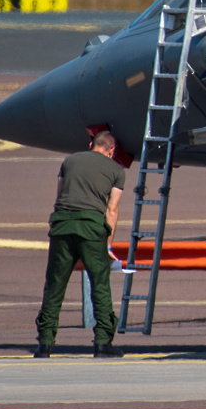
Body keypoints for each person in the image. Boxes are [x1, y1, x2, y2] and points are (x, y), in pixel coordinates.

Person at [34, 126, 125, 357]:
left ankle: (44, 343)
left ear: (91, 145)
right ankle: (103, 342)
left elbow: (59, 196)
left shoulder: (69, 161)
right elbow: (111, 210)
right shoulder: (116, 170)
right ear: (111, 150)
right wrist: (108, 245)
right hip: (92, 229)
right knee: (100, 285)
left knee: (54, 286)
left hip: (62, 225)